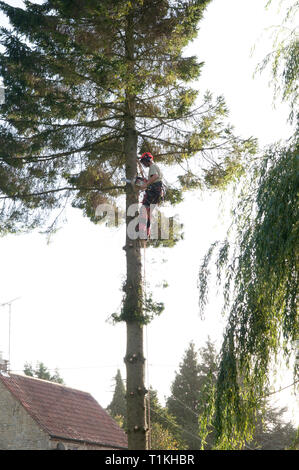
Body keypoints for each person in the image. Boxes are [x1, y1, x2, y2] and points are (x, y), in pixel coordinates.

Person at [138, 152, 163, 241]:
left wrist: (146, 184)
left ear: (147, 159)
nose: (143, 164)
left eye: (144, 161)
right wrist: (145, 182)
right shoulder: (155, 167)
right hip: (156, 192)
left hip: (154, 190)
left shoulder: (152, 166)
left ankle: (142, 231)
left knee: (143, 209)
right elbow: (153, 179)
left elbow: (155, 176)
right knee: (148, 212)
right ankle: (146, 233)